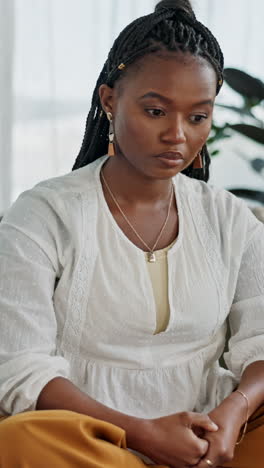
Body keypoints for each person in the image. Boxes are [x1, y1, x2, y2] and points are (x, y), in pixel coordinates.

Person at [0, 0, 263, 466]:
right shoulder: (43, 215)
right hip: (98, 442)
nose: (177, 135)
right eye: (156, 111)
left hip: (216, 441)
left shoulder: (229, 218)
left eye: (197, 117)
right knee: (18, 441)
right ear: (109, 100)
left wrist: (234, 411)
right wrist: (142, 434)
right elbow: (21, 367)